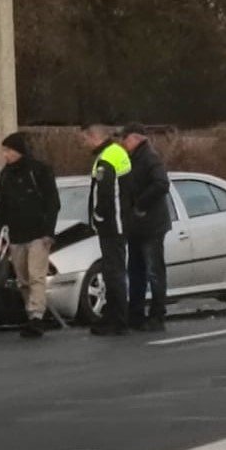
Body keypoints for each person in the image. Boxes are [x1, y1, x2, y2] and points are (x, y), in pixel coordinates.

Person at [0, 132, 60, 338]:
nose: (5, 155)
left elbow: (52, 202)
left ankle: (36, 315)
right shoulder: (6, 174)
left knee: (36, 275)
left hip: (38, 234)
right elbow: (1, 205)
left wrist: (49, 231)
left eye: (8, 150)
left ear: (19, 150)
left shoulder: (39, 171)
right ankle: (32, 312)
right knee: (23, 279)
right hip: (16, 234)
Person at [80, 123, 133, 336]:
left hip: (113, 224)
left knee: (114, 272)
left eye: (85, 139)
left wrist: (99, 216)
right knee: (114, 271)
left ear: (95, 137)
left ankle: (118, 320)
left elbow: (106, 193)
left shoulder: (106, 158)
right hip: (118, 222)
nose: (84, 143)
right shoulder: (115, 152)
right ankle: (114, 316)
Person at [120, 123, 170, 332]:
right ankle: (136, 313)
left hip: (151, 224)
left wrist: (141, 204)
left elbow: (161, 184)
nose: (123, 143)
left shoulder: (149, 158)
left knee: (153, 271)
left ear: (134, 138)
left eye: (125, 139)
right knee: (136, 271)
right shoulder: (131, 160)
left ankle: (157, 315)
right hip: (136, 226)